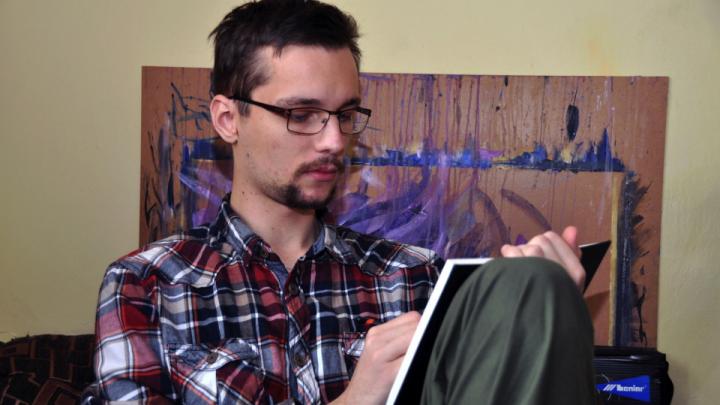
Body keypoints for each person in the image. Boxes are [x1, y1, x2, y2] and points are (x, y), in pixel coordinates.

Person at [84, 1, 596, 403]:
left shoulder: (415, 278)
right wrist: (356, 400)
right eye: (302, 114)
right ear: (227, 119)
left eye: (345, 114)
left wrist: (538, 315)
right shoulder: (147, 286)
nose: (333, 141)